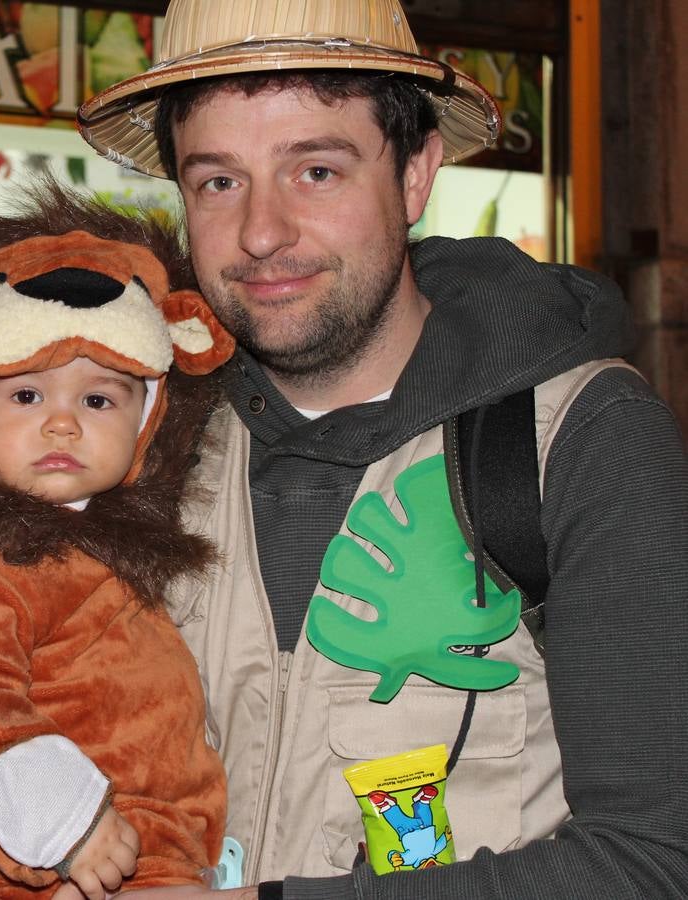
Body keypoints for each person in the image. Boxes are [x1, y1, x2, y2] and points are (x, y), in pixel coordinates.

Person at [79, 1, 688, 898]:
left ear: (414, 175)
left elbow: (651, 860)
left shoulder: (579, 439)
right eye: (218, 181)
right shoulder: (136, 447)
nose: (260, 231)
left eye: (316, 170)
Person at [0, 189, 238, 899]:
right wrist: (65, 822)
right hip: (62, 871)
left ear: (149, 419)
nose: (62, 425)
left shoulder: (106, 550)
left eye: (98, 400)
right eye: (26, 395)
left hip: (164, 866)